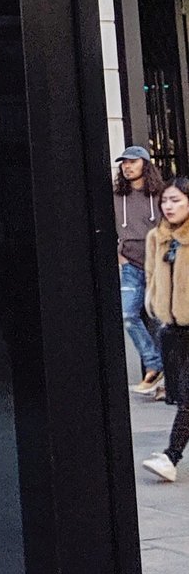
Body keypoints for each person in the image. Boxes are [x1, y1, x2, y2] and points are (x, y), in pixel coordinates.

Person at [142, 176, 189, 483]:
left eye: (176, 201)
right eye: (165, 201)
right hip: (173, 330)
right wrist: (154, 304)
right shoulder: (156, 236)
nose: (169, 206)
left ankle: (171, 456)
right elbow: (151, 275)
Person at [115, 145, 164, 397]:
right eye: (124, 163)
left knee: (159, 320)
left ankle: (164, 381)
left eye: (132, 162)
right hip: (131, 266)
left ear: (145, 164)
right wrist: (120, 257)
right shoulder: (116, 195)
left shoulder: (160, 194)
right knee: (127, 314)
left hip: (158, 266)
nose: (127, 166)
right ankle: (154, 364)